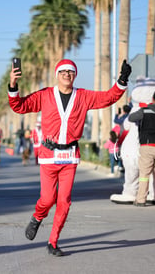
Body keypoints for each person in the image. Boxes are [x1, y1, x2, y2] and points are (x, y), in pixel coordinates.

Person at [8, 58, 131, 256]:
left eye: (71, 71)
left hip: (70, 157)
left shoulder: (83, 96)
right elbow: (19, 106)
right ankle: (37, 218)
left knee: (64, 201)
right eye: (63, 71)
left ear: (75, 75)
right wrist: (13, 85)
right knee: (47, 200)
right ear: (57, 74)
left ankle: (53, 241)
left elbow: (108, 98)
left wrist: (122, 80)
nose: (67, 74)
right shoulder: (45, 95)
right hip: (48, 156)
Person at [128, 90, 155, 206]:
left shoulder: (145, 111)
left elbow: (131, 118)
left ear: (153, 99)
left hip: (147, 145)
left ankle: (141, 200)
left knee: (144, 175)